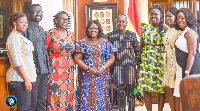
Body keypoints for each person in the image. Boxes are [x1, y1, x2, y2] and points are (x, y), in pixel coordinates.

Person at [74, 20, 116, 111]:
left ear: (99, 30)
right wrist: (88, 69)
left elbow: (112, 57)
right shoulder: (82, 43)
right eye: (90, 28)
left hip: (102, 75)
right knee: (86, 97)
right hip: (86, 76)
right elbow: (77, 58)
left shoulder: (105, 43)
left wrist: (103, 67)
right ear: (87, 30)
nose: (93, 30)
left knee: (101, 98)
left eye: (95, 28)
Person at [137, 5, 169, 111]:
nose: (153, 16)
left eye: (156, 14)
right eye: (151, 14)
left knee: (161, 88)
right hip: (147, 62)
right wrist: (144, 60)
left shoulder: (166, 28)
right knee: (146, 88)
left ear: (161, 15)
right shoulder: (145, 28)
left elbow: (169, 47)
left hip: (161, 61)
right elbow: (141, 47)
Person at [107, 14, 140, 111]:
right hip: (117, 68)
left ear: (126, 23)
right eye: (119, 21)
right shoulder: (111, 36)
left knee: (131, 94)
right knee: (120, 94)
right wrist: (109, 70)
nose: (121, 23)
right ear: (115, 22)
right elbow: (108, 54)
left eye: (123, 21)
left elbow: (138, 53)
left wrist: (137, 70)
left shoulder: (132, 35)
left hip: (130, 68)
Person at [23, 4, 52, 111]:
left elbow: (45, 51)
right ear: (29, 14)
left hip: (44, 71)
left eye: (40, 11)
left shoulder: (42, 29)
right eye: (35, 12)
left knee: (42, 100)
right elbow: (24, 52)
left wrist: (48, 70)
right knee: (33, 102)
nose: (38, 14)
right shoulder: (26, 29)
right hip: (32, 71)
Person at [6, 12, 37, 111]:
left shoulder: (21, 37)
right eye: (21, 22)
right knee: (24, 107)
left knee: (29, 107)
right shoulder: (14, 37)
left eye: (26, 22)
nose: (25, 25)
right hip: (19, 79)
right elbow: (17, 61)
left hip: (25, 79)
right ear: (14, 23)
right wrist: (26, 80)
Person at [46, 11, 75, 111]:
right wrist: (47, 69)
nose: (64, 21)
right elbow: (44, 52)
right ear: (56, 20)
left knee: (68, 96)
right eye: (62, 19)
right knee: (54, 95)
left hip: (69, 71)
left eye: (66, 19)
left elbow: (74, 52)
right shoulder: (50, 33)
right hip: (54, 69)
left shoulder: (71, 34)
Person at [173, 8, 200, 110]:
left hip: (190, 69)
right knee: (180, 96)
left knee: (190, 99)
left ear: (188, 18)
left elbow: (192, 53)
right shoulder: (183, 31)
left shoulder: (190, 32)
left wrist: (187, 73)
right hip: (181, 69)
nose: (179, 20)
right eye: (178, 18)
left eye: (182, 18)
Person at [162, 7, 181, 111]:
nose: (167, 18)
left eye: (170, 16)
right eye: (166, 16)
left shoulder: (180, 30)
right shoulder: (169, 30)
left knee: (176, 89)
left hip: (176, 63)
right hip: (166, 63)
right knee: (169, 89)